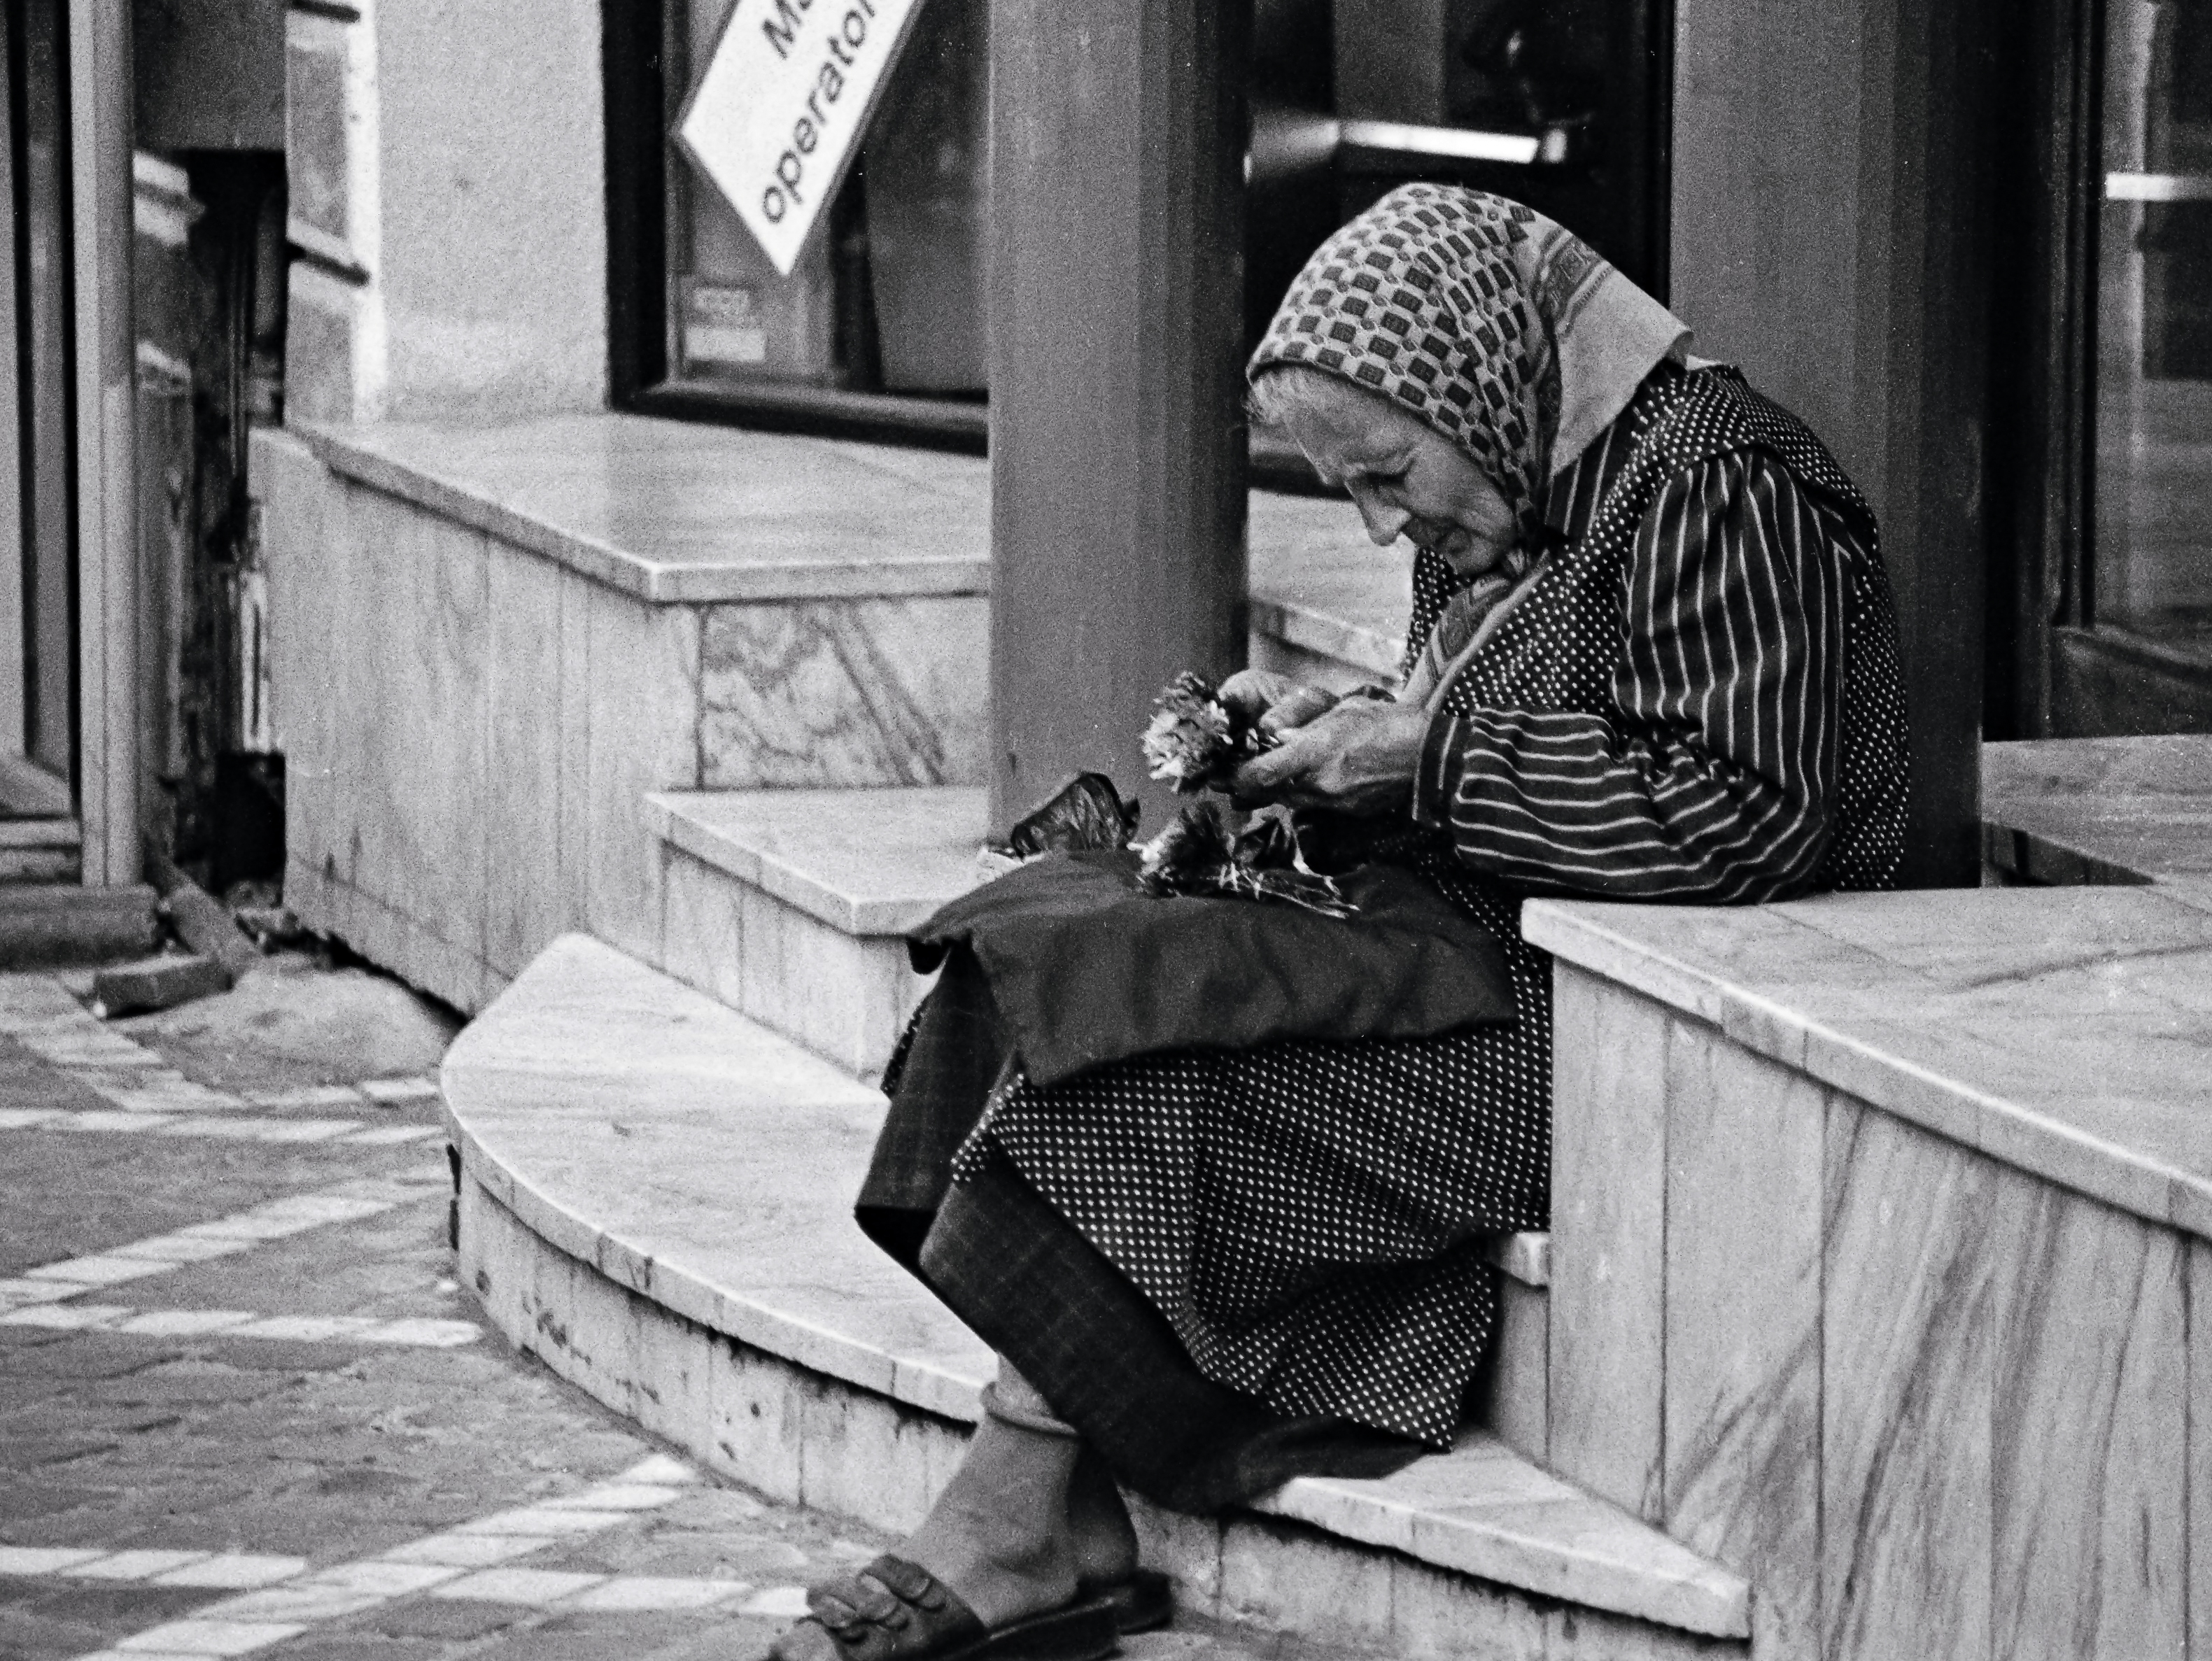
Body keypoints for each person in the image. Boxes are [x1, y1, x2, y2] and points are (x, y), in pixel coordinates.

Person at [765, 182, 1909, 1661]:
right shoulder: (1516, 472)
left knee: (1133, 1062)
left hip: (1612, 1032)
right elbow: (1488, 714)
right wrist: (1336, 732)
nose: (1377, 524)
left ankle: (1018, 1518)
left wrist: (1418, 759)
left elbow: (1745, 812)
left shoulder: (1719, 481)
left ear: (1472, 377)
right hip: (1467, 955)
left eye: (1382, 476)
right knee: (1030, 950)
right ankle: (1047, 1505)